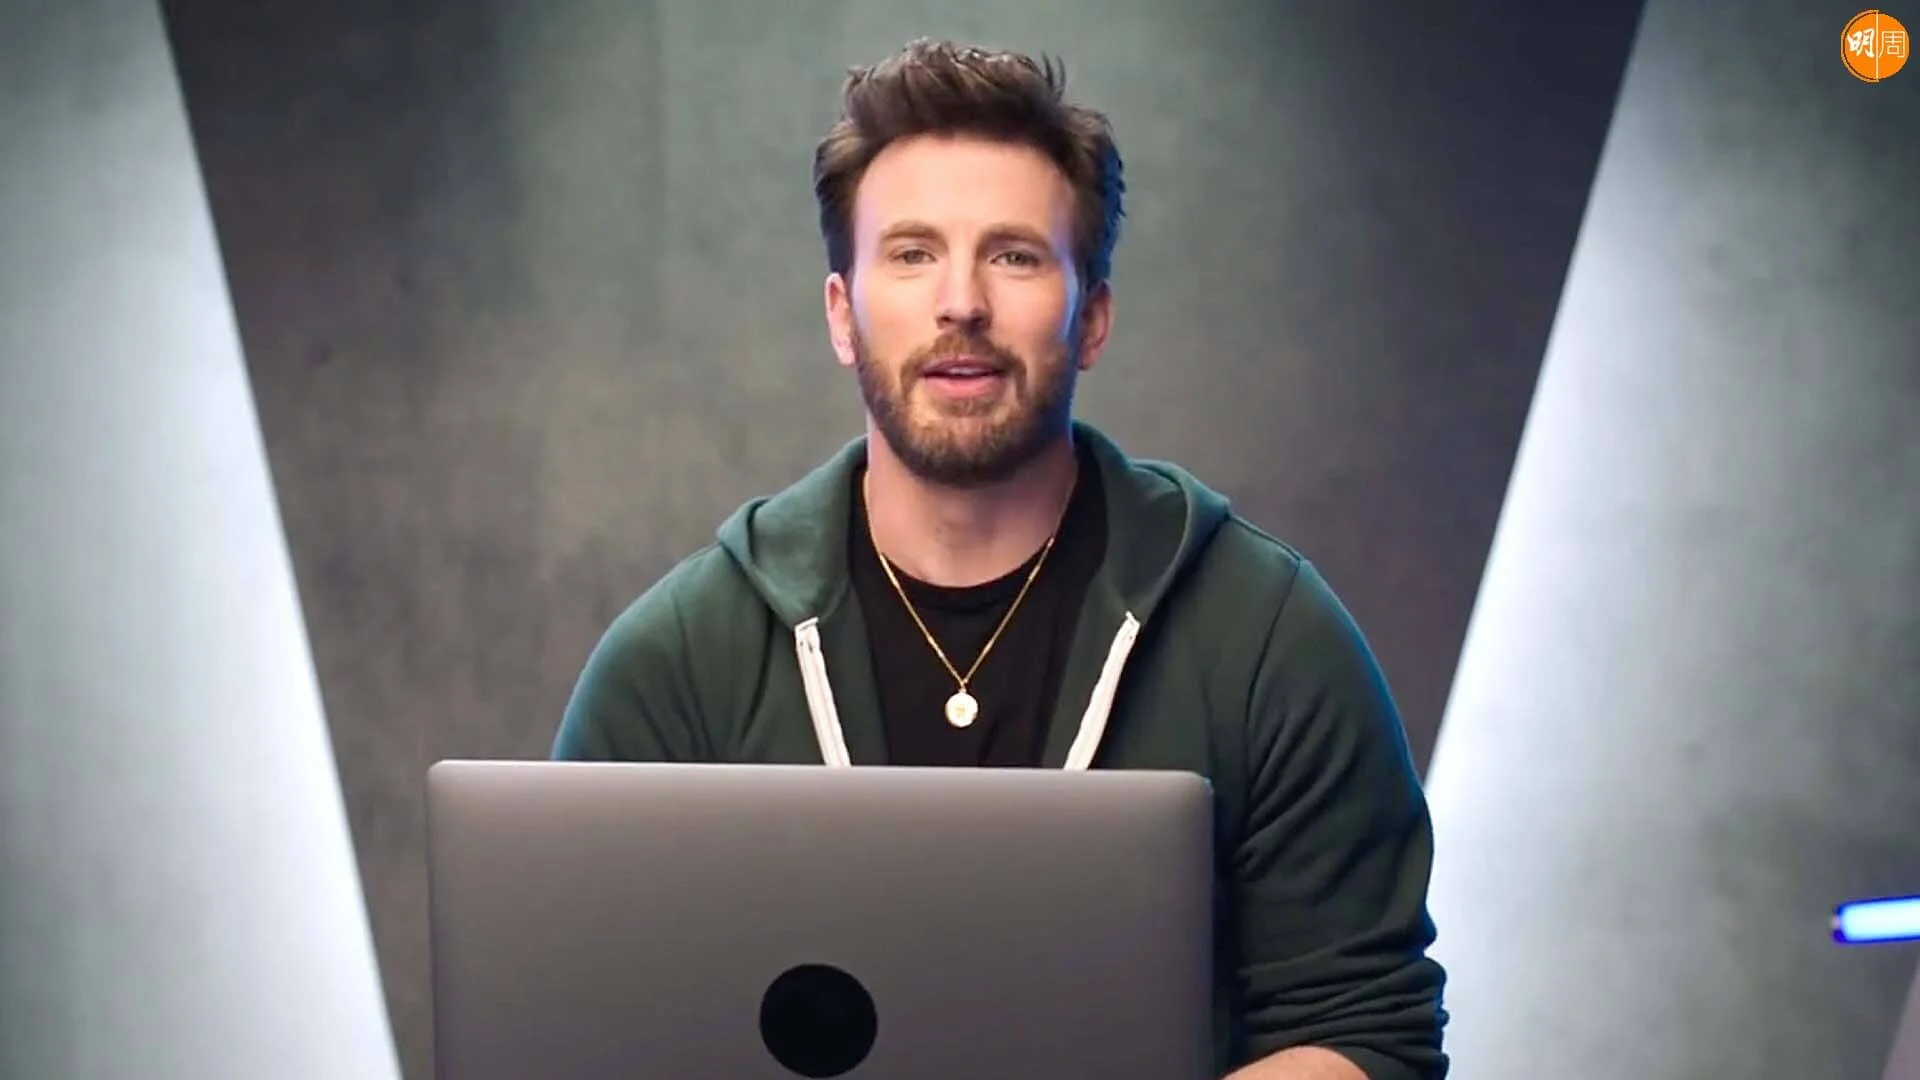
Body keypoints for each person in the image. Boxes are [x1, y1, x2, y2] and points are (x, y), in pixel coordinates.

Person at [552, 38, 1448, 1080]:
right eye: (912, 253)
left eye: (1014, 255)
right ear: (843, 314)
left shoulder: (1265, 636)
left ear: (1092, 317)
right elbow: (578, 1034)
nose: (961, 303)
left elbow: (1366, 1029)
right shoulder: (679, 663)